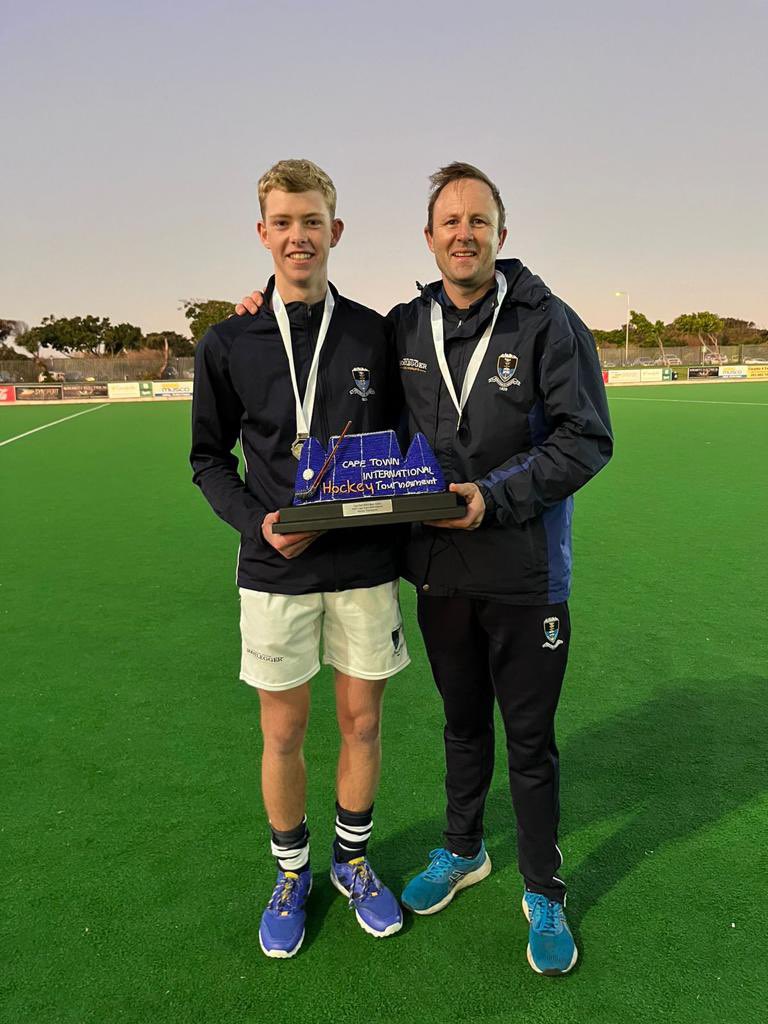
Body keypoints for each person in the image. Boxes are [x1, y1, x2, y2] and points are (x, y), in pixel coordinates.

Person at [237, 161, 613, 975]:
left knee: (530, 739)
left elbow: (586, 439)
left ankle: (543, 887)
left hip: (524, 570)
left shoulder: (551, 324)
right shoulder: (405, 325)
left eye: (479, 221)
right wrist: (262, 308)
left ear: (500, 236)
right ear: (429, 237)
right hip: (439, 569)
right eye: (450, 222)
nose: (464, 234)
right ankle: (462, 849)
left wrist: (495, 497)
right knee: (461, 726)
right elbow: (320, 341)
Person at [191, 159, 408, 959]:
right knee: (282, 733)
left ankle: (351, 862)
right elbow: (209, 459)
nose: (298, 235)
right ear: (262, 234)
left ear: (334, 231)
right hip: (276, 569)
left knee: (363, 721)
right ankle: (291, 873)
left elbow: (406, 446)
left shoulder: (375, 332)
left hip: (363, 567)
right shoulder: (229, 339)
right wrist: (259, 525)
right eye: (282, 223)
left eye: (311, 221)